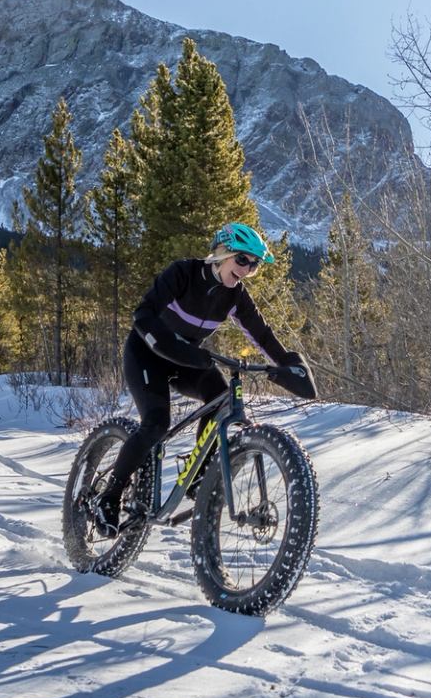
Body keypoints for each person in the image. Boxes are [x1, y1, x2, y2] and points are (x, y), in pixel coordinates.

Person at [90, 221, 315, 532]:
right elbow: (143, 313)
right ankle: (109, 497)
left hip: (187, 359)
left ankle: (201, 480)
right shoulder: (183, 273)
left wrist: (287, 364)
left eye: (254, 265)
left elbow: (262, 335)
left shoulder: (236, 296)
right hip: (146, 352)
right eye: (242, 260)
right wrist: (164, 343)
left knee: (222, 401)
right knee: (156, 424)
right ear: (222, 254)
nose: (247, 269)